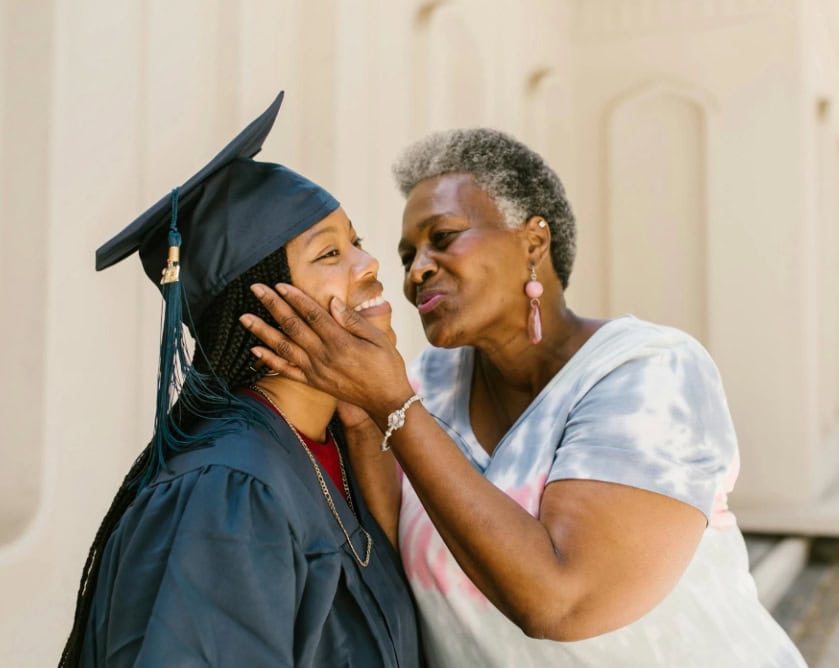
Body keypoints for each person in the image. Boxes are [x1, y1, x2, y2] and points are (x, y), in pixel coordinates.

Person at [240, 127, 806, 666]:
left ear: (533, 241)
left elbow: (560, 601)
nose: (416, 272)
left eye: (442, 238)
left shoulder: (648, 372)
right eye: (409, 255)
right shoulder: (426, 385)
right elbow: (399, 553)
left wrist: (392, 406)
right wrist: (362, 415)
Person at [59, 91, 423, 668]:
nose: (368, 264)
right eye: (329, 254)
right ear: (257, 309)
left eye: (356, 241)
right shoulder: (227, 491)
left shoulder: (334, 450)